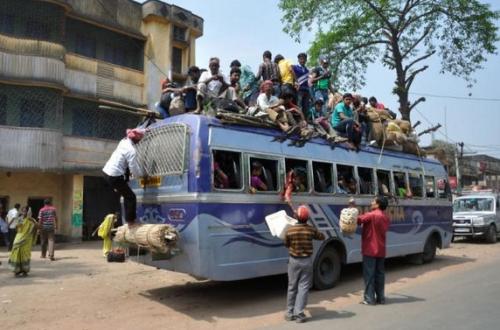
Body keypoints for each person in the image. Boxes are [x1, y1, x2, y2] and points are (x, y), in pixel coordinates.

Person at [284, 205, 325, 323]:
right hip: (306, 261)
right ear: (307, 218)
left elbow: (286, 244)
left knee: (292, 287)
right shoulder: (310, 229)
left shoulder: (290, 230)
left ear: (296, 217)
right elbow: (321, 237)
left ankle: (289, 313)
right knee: (303, 288)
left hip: (293, 261)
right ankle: (299, 314)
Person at [103, 128, 144, 227]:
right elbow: (134, 168)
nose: (141, 140)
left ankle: (127, 219)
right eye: (140, 138)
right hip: (114, 175)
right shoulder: (131, 151)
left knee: (125, 190)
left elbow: (137, 131)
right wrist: (142, 175)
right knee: (130, 196)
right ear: (136, 138)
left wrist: (146, 129)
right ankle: (130, 222)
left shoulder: (123, 141)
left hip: (107, 171)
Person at [357, 196, 390, 305]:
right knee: (380, 274)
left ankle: (369, 299)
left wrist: (351, 208)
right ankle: (381, 298)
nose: (371, 203)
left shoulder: (371, 215)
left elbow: (357, 219)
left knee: (369, 275)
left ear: (378, 204)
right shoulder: (385, 217)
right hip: (381, 249)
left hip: (370, 249)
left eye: (373, 201)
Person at [8, 206, 38, 277]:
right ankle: (16, 270)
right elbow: (17, 229)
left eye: (25, 211)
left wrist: (32, 220)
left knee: (25, 255)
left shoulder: (31, 220)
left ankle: (24, 271)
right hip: (18, 238)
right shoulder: (20, 219)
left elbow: (38, 227)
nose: (24, 213)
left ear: (28, 212)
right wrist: (18, 223)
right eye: (22, 211)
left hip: (27, 240)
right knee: (16, 253)